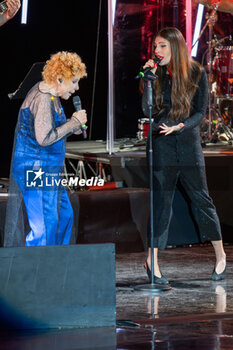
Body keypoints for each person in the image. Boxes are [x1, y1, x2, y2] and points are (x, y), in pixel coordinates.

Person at [142, 27, 226, 283]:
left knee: (202, 200)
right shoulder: (154, 75)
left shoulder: (196, 73)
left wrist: (181, 126)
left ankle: (221, 255)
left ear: (175, 47)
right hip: (161, 146)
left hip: (188, 145)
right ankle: (151, 261)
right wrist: (148, 80)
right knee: (161, 204)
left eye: (162, 46)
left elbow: (201, 112)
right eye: (155, 47)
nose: (157, 52)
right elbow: (147, 109)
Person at [4, 51, 87, 247]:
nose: (76, 88)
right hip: (34, 168)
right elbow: (44, 138)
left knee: (64, 215)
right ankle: (38, 270)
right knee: (45, 225)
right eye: (74, 82)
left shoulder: (51, 95)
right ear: (59, 79)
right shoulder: (43, 98)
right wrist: (73, 122)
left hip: (45, 169)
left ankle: (55, 263)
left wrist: (70, 127)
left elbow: (48, 129)